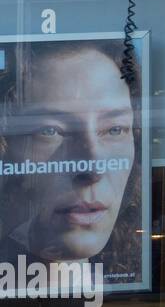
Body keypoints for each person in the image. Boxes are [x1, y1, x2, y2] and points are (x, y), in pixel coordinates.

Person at [0, 37, 142, 284]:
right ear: (5, 148)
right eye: (49, 131)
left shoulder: (124, 281)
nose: (93, 167)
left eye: (115, 129)